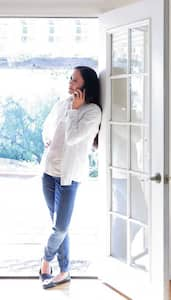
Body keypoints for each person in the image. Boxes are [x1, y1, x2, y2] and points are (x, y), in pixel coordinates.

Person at [38, 66, 102, 289]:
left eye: (75, 80)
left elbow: (74, 138)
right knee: (58, 225)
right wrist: (47, 139)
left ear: (85, 86)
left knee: (61, 227)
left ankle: (45, 263)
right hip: (48, 173)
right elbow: (47, 126)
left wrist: (75, 109)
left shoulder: (92, 112)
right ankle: (64, 271)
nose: (70, 83)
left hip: (69, 177)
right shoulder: (63, 103)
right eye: (70, 79)